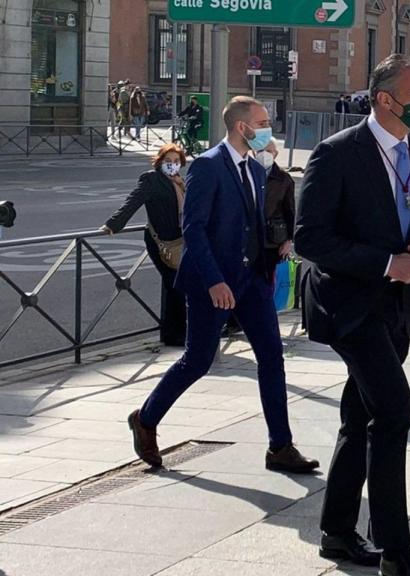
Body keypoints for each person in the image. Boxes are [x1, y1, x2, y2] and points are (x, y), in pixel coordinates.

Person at [294, 54, 410, 576]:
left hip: (398, 307)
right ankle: (395, 551)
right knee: (394, 412)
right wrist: (388, 262)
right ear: (385, 99)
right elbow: (310, 238)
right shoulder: (337, 153)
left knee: (359, 416)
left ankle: (337, 532)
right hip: (350, 306)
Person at [126, 96, 319, 476]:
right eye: (261, 123)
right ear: (242, 127)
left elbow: (259, 219)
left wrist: (274, 255)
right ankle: (146, 419)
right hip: (212, 282)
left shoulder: (256, 167)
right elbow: (194, 228)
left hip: (252, 280)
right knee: (197, 361)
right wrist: (214, 281)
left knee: (272, 357)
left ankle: (280, 446)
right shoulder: (208, 166)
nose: (267, 129)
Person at [101, 143, 188, 347]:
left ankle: (175, 332)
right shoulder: (152, 179)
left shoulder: (179, 181)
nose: (172, 164)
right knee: (175, 286)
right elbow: (133, 201)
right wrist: (113, 224)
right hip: (161, 242)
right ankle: (174, 334)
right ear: (159, 161)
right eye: (168, 161)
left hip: (180, 241)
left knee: (177, 286)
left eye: (176, 161)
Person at [254, 139, 296, 268]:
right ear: (254, 152)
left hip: (273, 240)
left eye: (268, 151)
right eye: (260, 150)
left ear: (275, 154)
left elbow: (290, 211)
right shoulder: (245, 173)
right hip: (249, 239)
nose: (264, 154)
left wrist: (288, 240)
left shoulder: (284, 179)